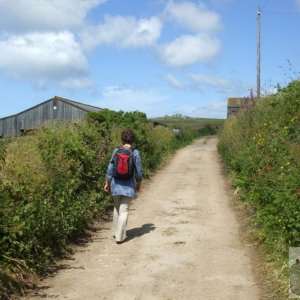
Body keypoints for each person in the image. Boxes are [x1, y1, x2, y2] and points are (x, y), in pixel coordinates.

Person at [104, 129, 143, 244]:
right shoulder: (135, 152)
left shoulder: (116, 150)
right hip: (128, 186)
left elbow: (110, 168)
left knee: (117, 208)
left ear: (122, 139)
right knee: (124, 210)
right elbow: (139, 171)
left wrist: (107, 182)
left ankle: (115, 232)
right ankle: (120, 237)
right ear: (133, 140)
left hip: (115, 185)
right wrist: (139, 183)